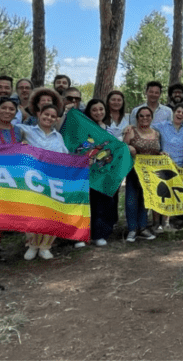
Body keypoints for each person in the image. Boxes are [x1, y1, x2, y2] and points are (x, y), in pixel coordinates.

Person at [18, 104, 69, 260]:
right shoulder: (24, 130)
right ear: (39, 114)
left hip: (52, 181)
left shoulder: (58, 137)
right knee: (31, 213)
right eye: (46, 114)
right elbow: (6, 129)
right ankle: (32, 245)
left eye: (53, 116)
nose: (49, 118)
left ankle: (45, 247)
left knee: (51, 214)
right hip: (31, 180)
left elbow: (65, 157)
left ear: (56, 119)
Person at [81, 99, 119, 247]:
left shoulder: (110, 129)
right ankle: (82, 235)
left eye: (101, 109)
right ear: (89, 112)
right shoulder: (84, 129)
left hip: (105, 173)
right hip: (86, 173)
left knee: (103, 204)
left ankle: (100, 234)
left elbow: (116, 148)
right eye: (94, 110)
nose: (98, 112)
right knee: (86, 203)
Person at [152, 103, 183, 232]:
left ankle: (166, 223)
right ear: (173, 113)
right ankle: (156, 224)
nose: (180, 114)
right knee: (160, 194)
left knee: (170, 195)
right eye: (178, 111)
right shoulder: (163, 125)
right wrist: (130, 127)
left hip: (179, 167)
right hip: (163, 165)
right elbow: (145, 126)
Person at [122, 107, 159, 242]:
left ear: (151, 117)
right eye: (141, 116)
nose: (145, 118)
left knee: (145, 200)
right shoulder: (131, 132)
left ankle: (142, 228)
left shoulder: (156, 133)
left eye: (148, 116)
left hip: (150, 172)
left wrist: (162, 154)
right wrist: (128, 147)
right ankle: (132, 229)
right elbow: (122, 148)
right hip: (133, 171)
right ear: (137, 118)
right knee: (131, 200)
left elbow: (157, 151)